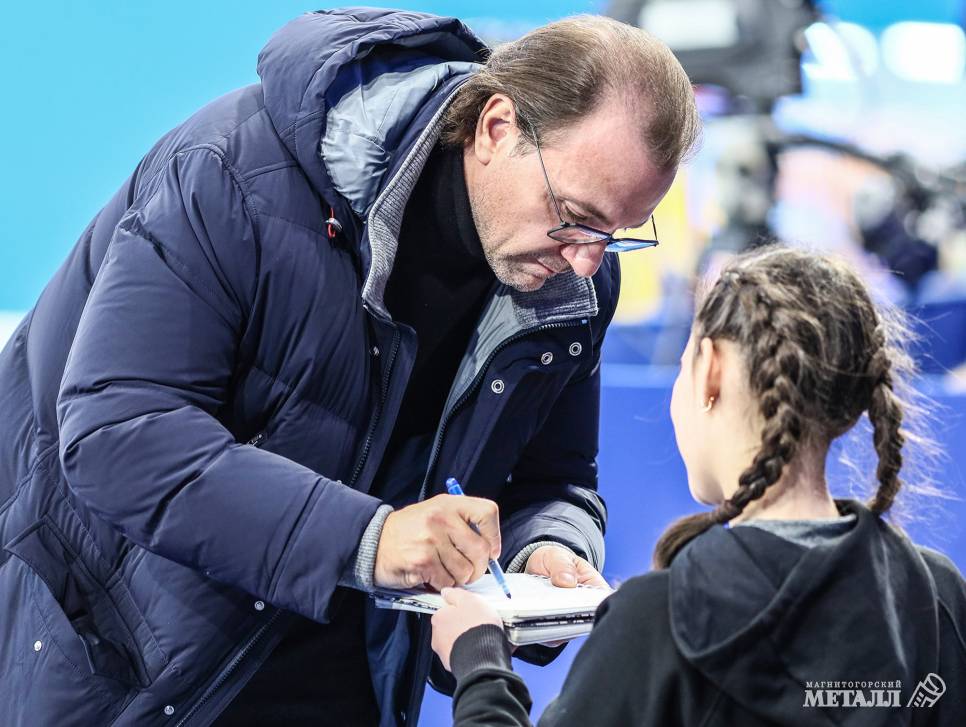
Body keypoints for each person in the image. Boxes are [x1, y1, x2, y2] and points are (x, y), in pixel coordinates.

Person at [0, 8, 700, 727]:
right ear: (496, 128)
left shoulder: (574, 285)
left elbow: (555, 480)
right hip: (118, 665)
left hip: (345, 681)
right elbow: (119, 433)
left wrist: (548, 548)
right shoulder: (231, 174)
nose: (585, 259)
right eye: (573, 215)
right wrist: (371, 537)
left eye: (615, 234)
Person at [431, 246, 966, 726]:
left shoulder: (662, 622)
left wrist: (479, 664)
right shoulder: (938, 597)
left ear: (709, 369)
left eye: (685, 362)